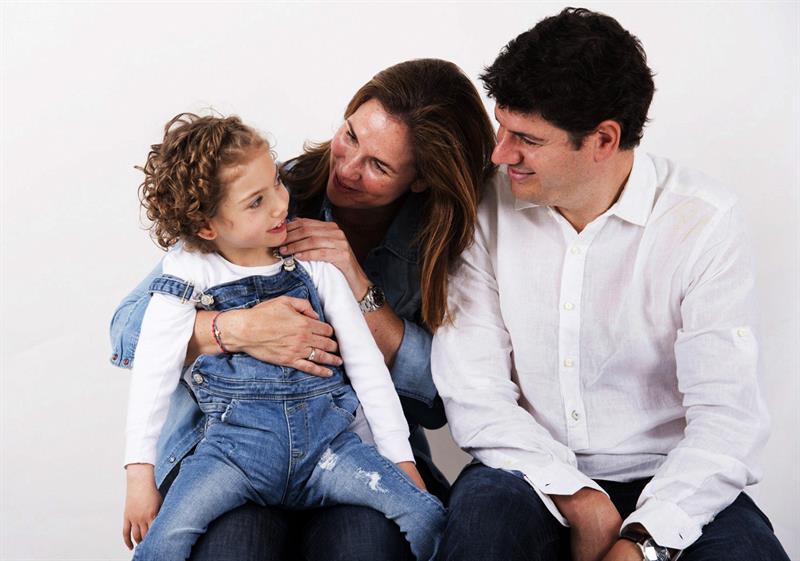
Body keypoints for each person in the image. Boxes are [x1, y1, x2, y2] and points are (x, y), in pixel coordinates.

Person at [432, 8, 789, 561]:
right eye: (501, 127)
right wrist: (581, 499)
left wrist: (642, 542)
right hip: (530, 474)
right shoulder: (486, 206)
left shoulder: (703, 221)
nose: (500, 153)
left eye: (526, 138)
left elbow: (727, 417)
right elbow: (475, 391)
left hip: (672, 478)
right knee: (481, 524)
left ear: (603, 139)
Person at [109, 58, 496, 561]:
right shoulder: (261, 191)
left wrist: (357, 285)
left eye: (378, 166)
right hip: (227, 445)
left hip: (350, 448)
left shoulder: (443, 241)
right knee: (234, 548)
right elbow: (126, 332)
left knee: (366, 547)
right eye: (350, 135)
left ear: (420, 180)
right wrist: (237, 329)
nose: (348, 167)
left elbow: (441, 397)